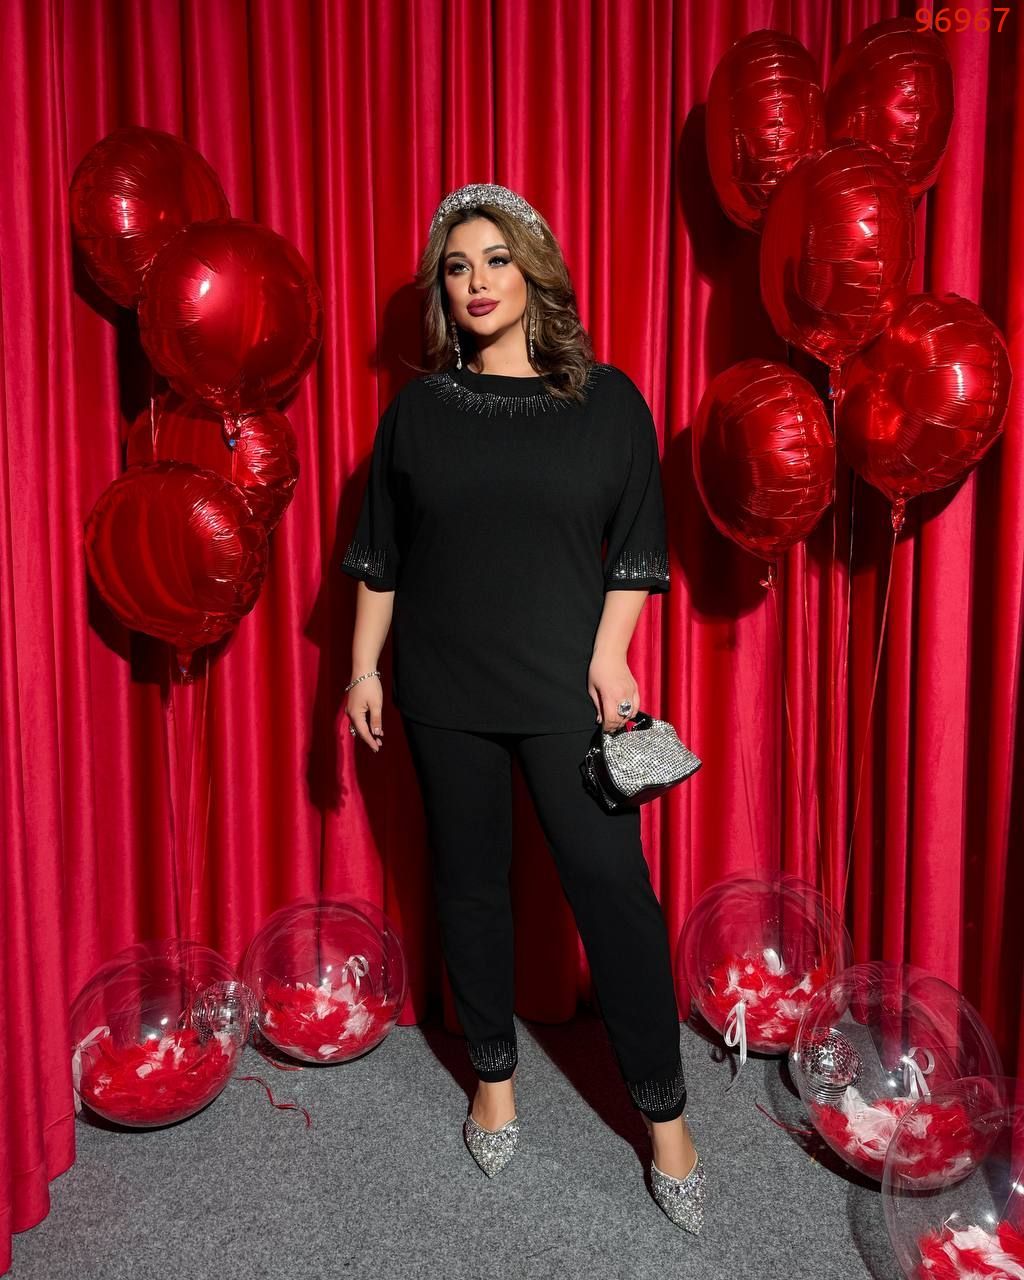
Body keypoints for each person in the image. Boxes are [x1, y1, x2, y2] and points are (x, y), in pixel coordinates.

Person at [339, 183, 705, 1234]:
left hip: (559, 686)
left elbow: (637, 545)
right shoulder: (418, 412)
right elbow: (381, 555)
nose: (477, 282)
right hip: (442, 686)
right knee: (469, 886)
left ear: (534, 271)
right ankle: (493, 1078)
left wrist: (610, 656)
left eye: (496, 259)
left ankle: (667, 1119)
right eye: (457, 266)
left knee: (614, 894)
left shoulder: (609, 402)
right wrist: (362, 670)